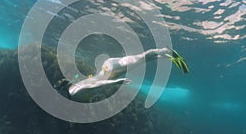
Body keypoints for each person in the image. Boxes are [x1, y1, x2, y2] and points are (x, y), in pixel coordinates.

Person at [55, 47, 189, 96]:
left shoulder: (74, 91)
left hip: (112, 69)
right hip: (108, 67)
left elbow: (96, 85)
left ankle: (167, 51)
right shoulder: (73, 87)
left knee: (141, 57)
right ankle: (167, 56)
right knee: (142, 60)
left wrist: (116, 82)